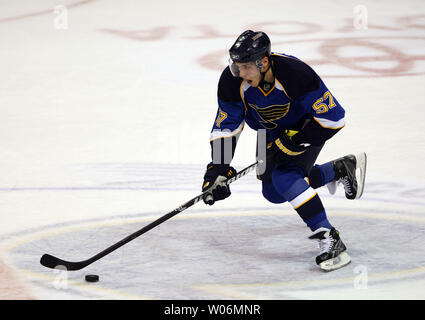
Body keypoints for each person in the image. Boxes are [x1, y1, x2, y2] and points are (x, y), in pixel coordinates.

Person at [201, 30, 367, 271]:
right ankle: (338, 170)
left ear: (264, 62)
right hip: (265, 134)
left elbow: (334, 118)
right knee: (274, 192)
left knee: (285, 176)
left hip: (306, 129)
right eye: (237, 66)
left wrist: (296, 140)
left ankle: (329, 237)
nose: (240, 73)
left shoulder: (296, 75)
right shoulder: (231, 81)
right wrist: (219, 167)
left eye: (246, 67)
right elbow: (227, 125)